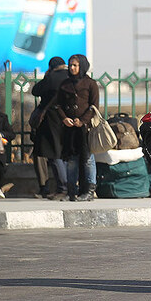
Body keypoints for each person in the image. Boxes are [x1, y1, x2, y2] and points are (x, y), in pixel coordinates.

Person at [54, 54, 99, 201]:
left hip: (85, 129)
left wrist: (83, 120)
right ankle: (71, 192)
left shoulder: (90, 84)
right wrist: (64, 118)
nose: (72, 68)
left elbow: (94, 107)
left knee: (87, 159)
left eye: (75, 65)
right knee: (71, 160)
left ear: (82, 66)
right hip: (70, 129)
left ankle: (89, 191)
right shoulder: (64, 84)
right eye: (70, 65)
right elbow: (58, 105)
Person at [31, 56, 69, 199]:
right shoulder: (71, 77)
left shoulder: (52, 77)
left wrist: (47, 75)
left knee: (53, 154)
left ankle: (60, 188)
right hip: (69, 120)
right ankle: (69, 186)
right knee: (65, 154)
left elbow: (35, 90)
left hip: (51, 121)